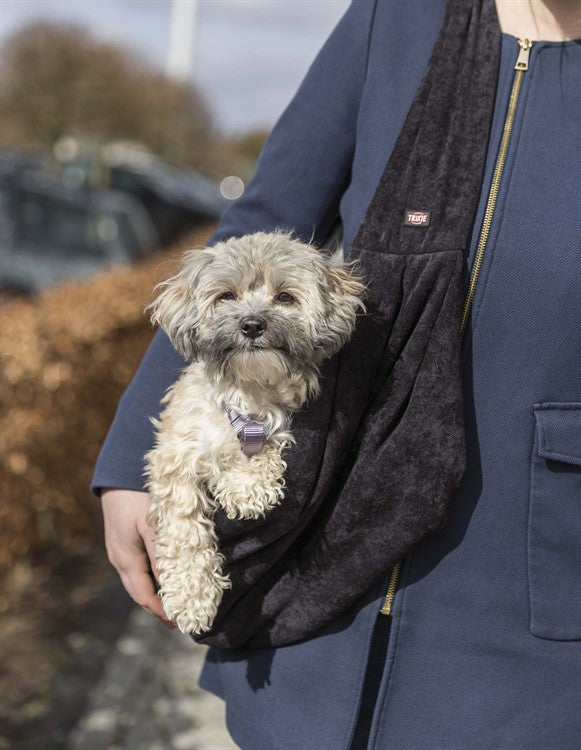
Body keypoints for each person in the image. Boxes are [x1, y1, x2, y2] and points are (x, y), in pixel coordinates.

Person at [95, 0, 581, 747]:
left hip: (520, 586)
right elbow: (262, 219)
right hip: (320, 526)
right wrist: (133, 454)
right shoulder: (398, 17)